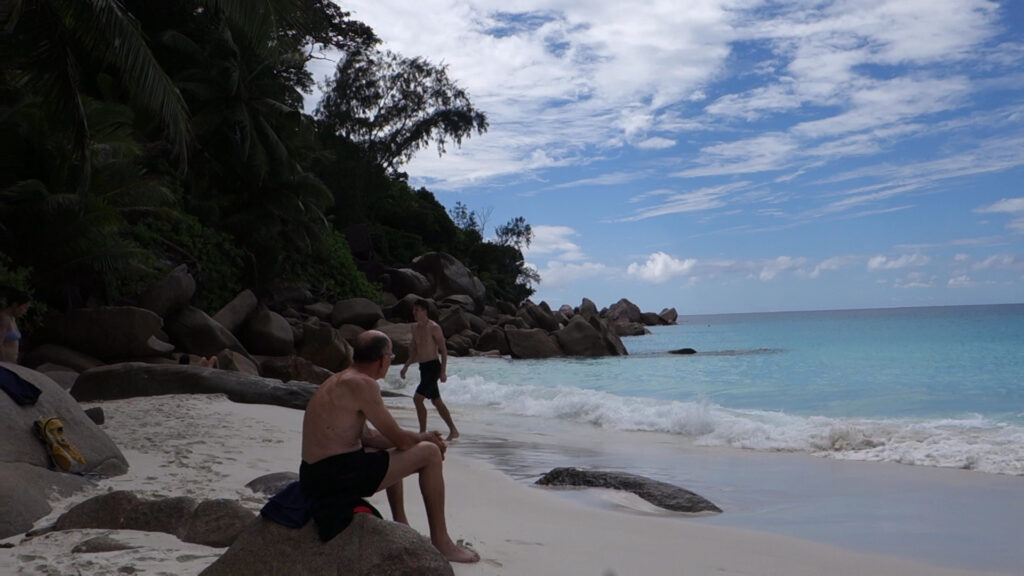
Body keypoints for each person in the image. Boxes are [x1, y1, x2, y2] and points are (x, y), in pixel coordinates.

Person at [300, 330, 479, 563]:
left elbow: (370, 438)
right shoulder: (363, 384)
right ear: (383, 360)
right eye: (391, 357)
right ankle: (442, 543)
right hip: (335, 476)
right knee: (431, 454)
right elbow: (401, 441)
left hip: (315, 474)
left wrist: (418, 438)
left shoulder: (341, 379)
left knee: (390, 450)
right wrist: (425, 439)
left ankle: (401, 526)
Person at [400, 299, 459, 440]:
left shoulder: (434, 327)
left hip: (433, 367)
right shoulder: (414, 328)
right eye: (414, 310)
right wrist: (406, 366)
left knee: (417, 399)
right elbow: (414, 351)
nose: (414, 312)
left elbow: (443, 350)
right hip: (423, 367)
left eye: (417, 310)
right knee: (436, 401)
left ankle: (422, 432)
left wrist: (443, 372)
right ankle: (453, 430)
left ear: (425, 311)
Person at [0, 290, 30, 364]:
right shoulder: (4, 318)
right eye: (24, 308)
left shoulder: (13, 318)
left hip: (10, 363)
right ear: (15, 304)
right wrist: (4, 362)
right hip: (3, 363)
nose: (25, 311)